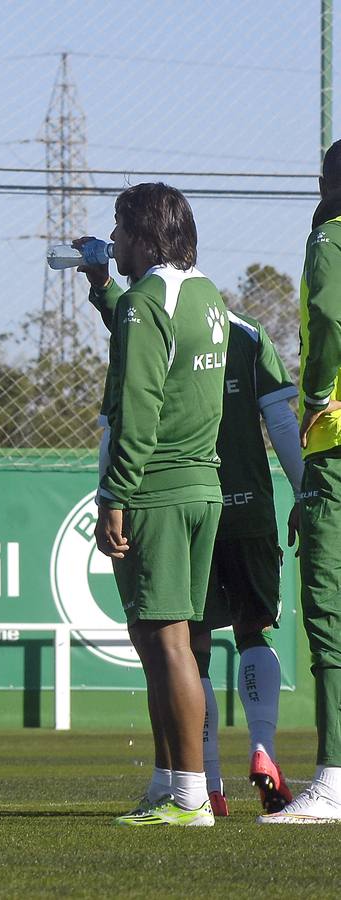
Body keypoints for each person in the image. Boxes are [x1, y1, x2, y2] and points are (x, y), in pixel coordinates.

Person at [78, 237, 302, 818]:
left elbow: (141, 364)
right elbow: (280, 418)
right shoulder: (242, 329)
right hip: (244, 507)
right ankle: (263, 746)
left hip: (175, 493)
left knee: (185, 645)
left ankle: (202, 784)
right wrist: (303, 490)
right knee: (255, 631)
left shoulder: (155, 311)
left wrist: (113, 490)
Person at [79, 184, 228, 827]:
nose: (113, 243)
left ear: (143, 235)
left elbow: (138, 404)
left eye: (119, 231)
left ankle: (192, 796)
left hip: (157, 489)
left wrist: (116, 492)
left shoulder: (148, 300)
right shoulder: (204, 294)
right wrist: (102, 288)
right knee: (161, 639)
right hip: (199, 487)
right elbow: (151, 344)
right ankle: (169, 782)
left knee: (168, 645)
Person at [275, 139, 341, 824]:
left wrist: (317, 391)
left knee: (329, 615)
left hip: (336, 446)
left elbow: (325, 314)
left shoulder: (330, 235)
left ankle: (333, 780)